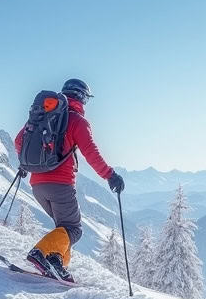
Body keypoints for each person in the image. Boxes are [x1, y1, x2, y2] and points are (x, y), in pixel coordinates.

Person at [14, 78, 124, 283]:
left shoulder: (42, 117)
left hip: (37, 185)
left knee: (63, 227)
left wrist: (26, 164)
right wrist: (110, 175)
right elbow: (91, 153)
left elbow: (19, 140)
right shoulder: (77, 121)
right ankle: (40, 253)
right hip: (60, 184)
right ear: (82, 97)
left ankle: (57, 264)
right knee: (74, 229)